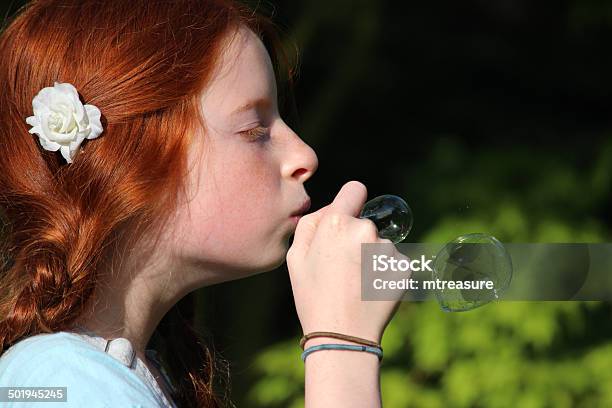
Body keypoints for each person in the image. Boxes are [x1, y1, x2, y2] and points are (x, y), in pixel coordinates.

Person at [0, 0, 404, 407]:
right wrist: (342, 344)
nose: (305, 156)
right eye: (254, 129)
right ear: (128, 160)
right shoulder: (63, 383)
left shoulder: (93, 375)